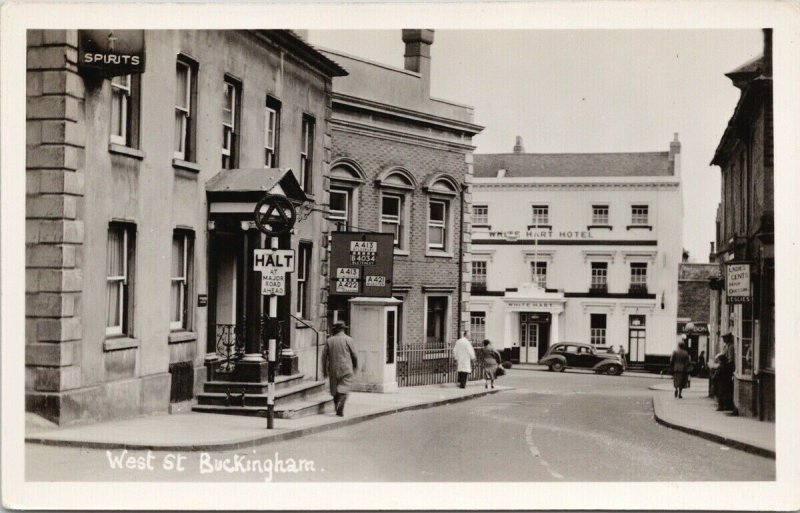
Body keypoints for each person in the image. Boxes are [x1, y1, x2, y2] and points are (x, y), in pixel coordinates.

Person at [321, 321, 358, 417]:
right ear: (343, 329)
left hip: (333, 368)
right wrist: (355, 366)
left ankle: (336, 405)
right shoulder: (349, 339)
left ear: (335, 330)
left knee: (334, 388)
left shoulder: (329, 340)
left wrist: (324, 370)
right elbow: (354, 355)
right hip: (346, 367)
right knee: (344, 388)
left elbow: (324, 357)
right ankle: (340, 406)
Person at [716, 332, 736, 412]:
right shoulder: (726, 346)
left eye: (725, 338)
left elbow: (730, 360)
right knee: (721, 388)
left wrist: (724, 364)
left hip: (726, 371)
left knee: (724, 388)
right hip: (723, 369)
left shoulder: (730, 347)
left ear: (728, 338)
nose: (723, 339)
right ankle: (722, 405)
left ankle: (725, 405)